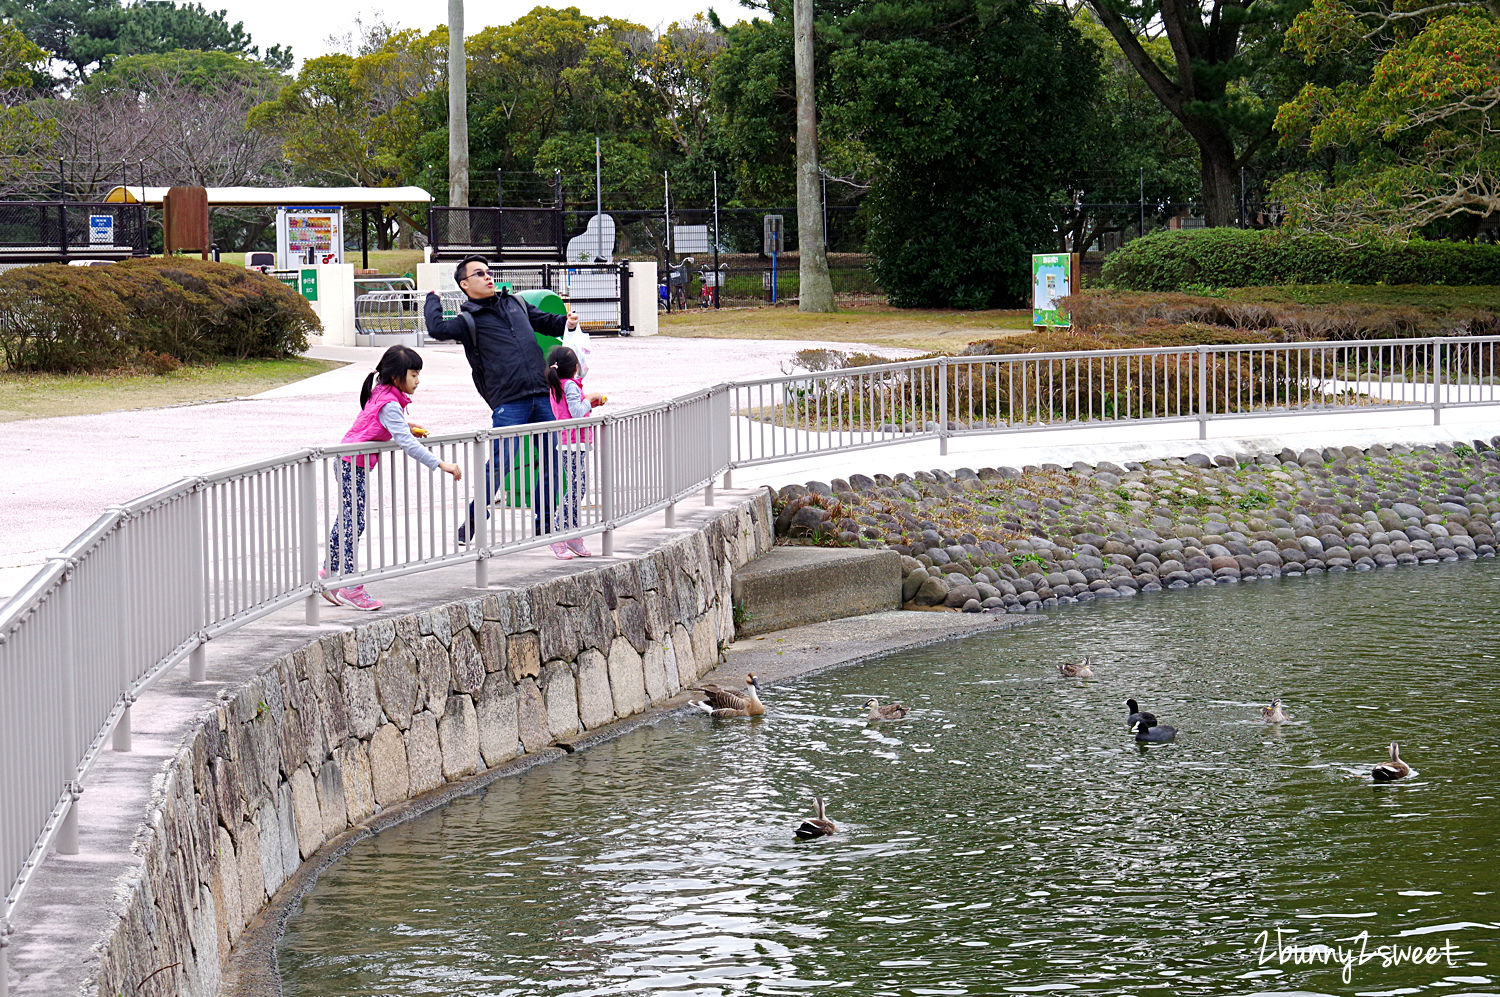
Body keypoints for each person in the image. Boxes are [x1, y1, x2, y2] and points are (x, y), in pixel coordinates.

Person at [424, 256, 581, 544]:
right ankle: (473, 519)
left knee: (551, 461)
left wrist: (567, 322)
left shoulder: (516, 303)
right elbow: (436, 329)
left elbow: (548, 322)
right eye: (479, 273)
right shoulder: (468, 321)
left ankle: (545, 524)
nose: (487, 276)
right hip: (509, 402)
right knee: (499, 464)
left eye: (488, 271)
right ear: (465, 284)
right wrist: (431, 299)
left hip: (542, 396)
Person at [324, 345, 462, 611]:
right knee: (354, 522)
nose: (418, 381)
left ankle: (329, 572)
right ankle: (350, 585)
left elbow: (381, 422)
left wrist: (407, 425)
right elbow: (407, 444)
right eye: (413, 374)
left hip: (349, 464)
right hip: (352, 466)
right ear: (397, 376)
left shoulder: (383, 393)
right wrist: (441, 463)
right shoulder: (389, 402)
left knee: (349, 519)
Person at [544, 345, 606, 559]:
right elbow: (577, 412)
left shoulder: (559, 385)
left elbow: (570, 411)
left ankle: (572, 534)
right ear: (574, 368)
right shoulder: (569, 385)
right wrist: (590, 399)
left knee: (577, 487)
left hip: (570, 442)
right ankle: (559, 533)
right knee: (576, 488)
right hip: (572, 442)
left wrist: (587, 404)